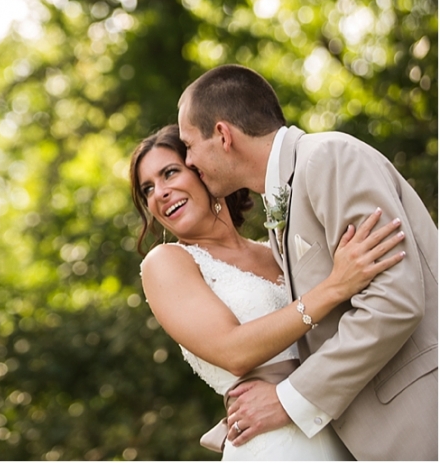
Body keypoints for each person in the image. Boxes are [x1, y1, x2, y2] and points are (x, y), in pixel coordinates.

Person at [177, 64, 438, 460]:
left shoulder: (328, 158)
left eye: (189, 145)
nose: (189, 160)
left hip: (419, 417)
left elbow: (393, 302)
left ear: (223, 135)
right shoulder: (281, 201)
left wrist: (289, 399)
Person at [131, 125, 405, 460]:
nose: (159, 192)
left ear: (202, 171)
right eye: (147, 189)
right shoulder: (167, 262)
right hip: (274, 443)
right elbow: (233, 351)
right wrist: (335, 286)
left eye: (169, 173)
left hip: (344, 424)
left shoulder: (276, 248)